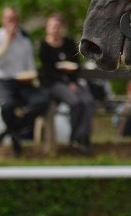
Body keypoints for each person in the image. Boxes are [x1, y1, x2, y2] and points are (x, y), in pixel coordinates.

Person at [0, 7, 50, 156]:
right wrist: (8, 41)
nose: (13, 23)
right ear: (3, 21)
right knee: (8, 105)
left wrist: (33, 78)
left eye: (15, 19)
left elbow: (30, 64)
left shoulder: (25, 38)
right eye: (9, 20)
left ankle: (10, 130)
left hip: (21, 81)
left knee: (43, 100)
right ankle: (15, 140)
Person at [38, 13, 95, 155]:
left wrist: (72, 81)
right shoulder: (44, 46)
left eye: (57, 27)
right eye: (52, 27)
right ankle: (75, 137)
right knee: (75, 102)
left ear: (63, 28)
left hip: (72, 82)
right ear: (47, 28)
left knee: (88, 101)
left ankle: (83, 137)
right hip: (55, 84)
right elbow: (48, 71)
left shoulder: (69, 43)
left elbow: (76, 65)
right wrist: (67, 82)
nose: (55, 30)